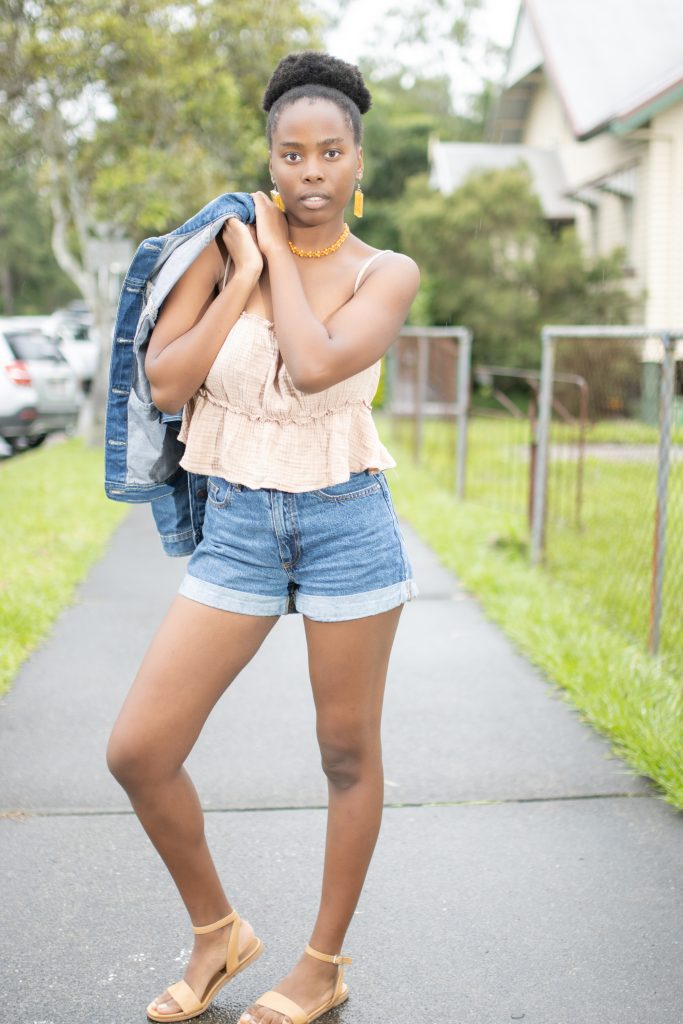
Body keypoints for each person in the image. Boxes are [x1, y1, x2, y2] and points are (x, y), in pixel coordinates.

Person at [106, 50, 420, 1024]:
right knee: (139, 748)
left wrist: (271, 257)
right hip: (239, 524)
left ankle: (320, 964)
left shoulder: (387, 270)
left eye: (330, 153)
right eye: (292, 154)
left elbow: (317, 361)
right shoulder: (220, 250)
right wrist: (241, 271)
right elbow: (165, 382)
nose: (311, 173)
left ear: (357, 160)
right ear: (269, 160)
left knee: (344, 753)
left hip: (345, 523)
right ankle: (218, 934)